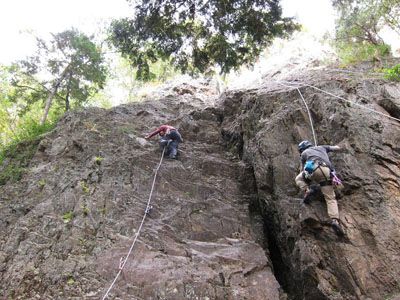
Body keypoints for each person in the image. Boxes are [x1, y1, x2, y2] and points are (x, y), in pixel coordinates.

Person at [295, 140, 345, 236]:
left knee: (298, 179)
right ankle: (335, 220)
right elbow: (336, 148)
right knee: (330, 198)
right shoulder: (322, 147)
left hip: (312, 170)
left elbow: (302, 169)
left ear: (302, 149)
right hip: (326, 172)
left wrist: (304, 177)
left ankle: (307, 190)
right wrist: (342, 146)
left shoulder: (304, 153)